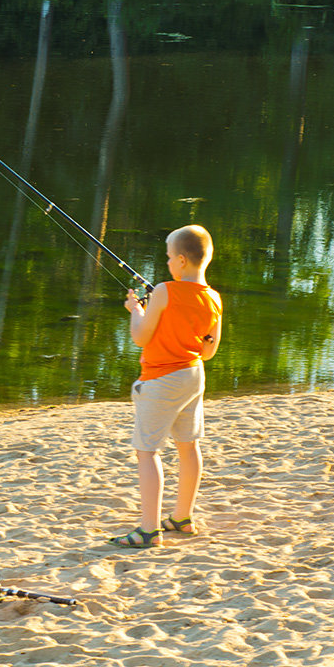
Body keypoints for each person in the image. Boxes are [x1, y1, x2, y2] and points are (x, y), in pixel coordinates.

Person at [111, 224, 223, 548]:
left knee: (147, 451)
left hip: (160, 380)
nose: (168, 262)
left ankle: (148, 529)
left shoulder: (164, 290)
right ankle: (182, 518)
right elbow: (208, 350)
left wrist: (136, 310)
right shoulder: (214, 298)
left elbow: (140, 337)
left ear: (183, 260)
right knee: (188, 445)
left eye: (170, 257)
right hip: (193, 376)